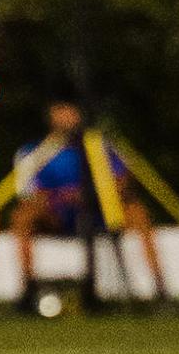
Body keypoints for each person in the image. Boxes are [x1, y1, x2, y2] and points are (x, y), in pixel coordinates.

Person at [10, 98, 166, 309]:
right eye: (60, 111)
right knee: (22, 216)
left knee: (138, 213)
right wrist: (61, 198)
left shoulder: (100, 146)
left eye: (70, 110)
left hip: (100, 212)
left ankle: (160, 289)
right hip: (58, 214)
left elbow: (123, 181)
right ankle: (28, 289)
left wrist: (93, 196)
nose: (66, 117)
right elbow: (27, 191)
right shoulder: (34, 151)